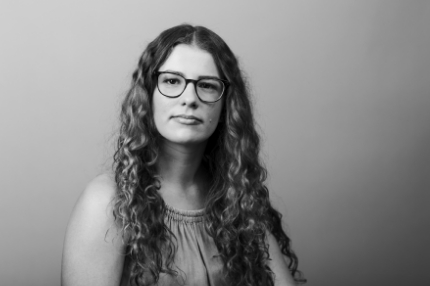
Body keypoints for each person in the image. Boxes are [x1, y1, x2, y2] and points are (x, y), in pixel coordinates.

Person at [61, 24, 306, 286]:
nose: (189, 98)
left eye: (207, 85)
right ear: (148, 94)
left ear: (227, 105)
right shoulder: (107, 201)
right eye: (171, 81)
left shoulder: (239, 199)